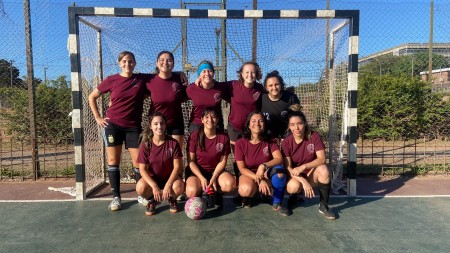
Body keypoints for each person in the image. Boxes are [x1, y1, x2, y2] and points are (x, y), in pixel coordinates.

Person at [88, 51, 148, 211]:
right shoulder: (111, 80)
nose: (127, 64)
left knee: (139, 162)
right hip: (113, 125)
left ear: (135, 63)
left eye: (130, 61)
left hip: (133, 127)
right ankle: (116, 198)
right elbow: (92, 97)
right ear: (119, 63)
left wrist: (180, 73)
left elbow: (161, 75)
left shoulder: (140, 79)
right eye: (124, 61)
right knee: (114, 161)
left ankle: (141, 194)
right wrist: (98, 117)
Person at [281, 105, 336, 220]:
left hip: (310, 173)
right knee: (293, 186)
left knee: (323, 169)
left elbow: (321, 159)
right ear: (289, 127)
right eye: (292, 124)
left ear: (305, 123)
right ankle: (294, 198)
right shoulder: (286, 142)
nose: (296, 127)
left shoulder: (314, 136)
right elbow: (288, 167)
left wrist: (303, 167)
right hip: (296, 176)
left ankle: (323, 205)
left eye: (299, 123)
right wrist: (302, 181)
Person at [234, 110, 289, 216]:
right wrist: (260, 180)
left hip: (265, 172)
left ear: (264, 124)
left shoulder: (270, 140)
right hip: (249, 174)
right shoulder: (240, 143)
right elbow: (241, 168)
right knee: (246, 190)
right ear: (248, 125)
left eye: (260, 121)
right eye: (253, 121)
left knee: (280, 171)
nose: (257, 124)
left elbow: (279, 159)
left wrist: (263, 166)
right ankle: (255, 193)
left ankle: (277, 203)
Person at [185, 107, 236, 209]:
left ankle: (217, 194)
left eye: (213, 117)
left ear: (217, 119)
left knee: (229, 184)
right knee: (191, 191)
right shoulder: (194, 136)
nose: (210, 120)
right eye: (207, 117)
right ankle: (200, 194)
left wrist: (213, 178)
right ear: (202, 119)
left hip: (215, 171)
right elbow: (191, 161)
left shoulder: (224, 137)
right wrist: (201, 177)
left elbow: (222, 161)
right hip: (197, 171)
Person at [136, 112, 185, 216]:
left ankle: (172, 199)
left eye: (162, 123)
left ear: (165, 125)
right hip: (154, 179)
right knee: (140, 187)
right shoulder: (145, 145)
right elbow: (142, 169)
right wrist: (154, 186)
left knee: (179, 186)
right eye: (156, 124)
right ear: (150, 126)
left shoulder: (173, 143)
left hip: (170, 178)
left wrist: (168, 184)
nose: (159, 126)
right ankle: (152, 200)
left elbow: (177, 166)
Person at [146, 51, 187, 151]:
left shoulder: (180, 79)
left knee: (175, 154)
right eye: (162, 60)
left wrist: (179, 73)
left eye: (169, 60)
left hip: (175, 123)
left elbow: (187, 95)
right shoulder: (149, 80)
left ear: (173, 63)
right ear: (157, 63)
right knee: (156, 154)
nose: (165, 62)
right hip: (156, 124)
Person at [186, 61, 229, 134]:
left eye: (210, 71)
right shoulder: (191, 89)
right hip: (197, 125)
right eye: (204, 71)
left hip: (215, 125)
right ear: (199, 74)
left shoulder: (220, 87)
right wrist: (179, 73)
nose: (207, 74)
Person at [261, 70, 300, 140]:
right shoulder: (261, 98)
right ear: (266, 87)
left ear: (281, 85)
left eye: (277, 84)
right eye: (270, 85)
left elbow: (298, 117)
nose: (274, 88)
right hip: (269, 133)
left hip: (287, 132)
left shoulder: (291, 98)